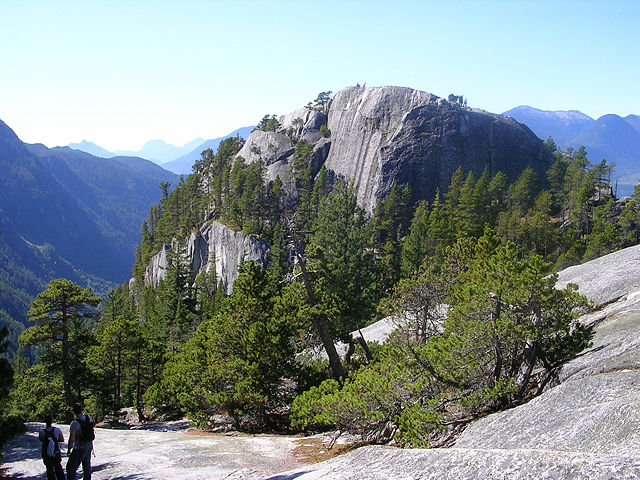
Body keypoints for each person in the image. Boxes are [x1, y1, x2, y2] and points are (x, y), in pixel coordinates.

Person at [66, 403, 93, 480]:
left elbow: (72, 439)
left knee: (70, 468)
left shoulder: (74, 423)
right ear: (82, 410)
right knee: (87, 466)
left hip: (79, 447)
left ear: (74, 412)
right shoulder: (88, 418)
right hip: (89, 444)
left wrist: (69, 449)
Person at [38, 414, 66, 480]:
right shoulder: (57, 430)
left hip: (47, 453)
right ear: (52, 421)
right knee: (58, 468)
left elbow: (40, 439)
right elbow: (62, 439)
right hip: (56, 452)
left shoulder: (41, 432)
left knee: (49, 470)